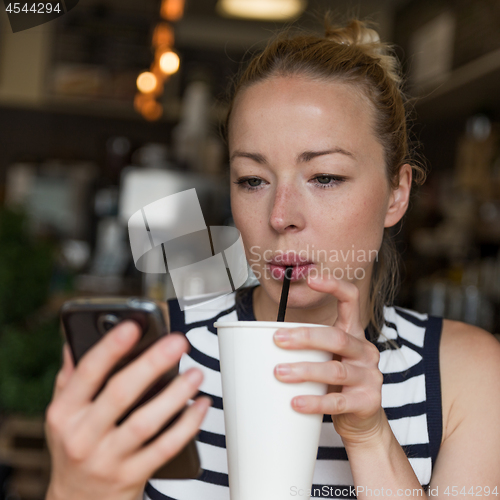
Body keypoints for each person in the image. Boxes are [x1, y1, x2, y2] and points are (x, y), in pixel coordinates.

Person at [45, 17, 500, 500]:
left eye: (324, 177)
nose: (281, 216)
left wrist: (369, 438)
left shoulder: (467, 377)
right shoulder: (153, 359)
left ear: (396, 194)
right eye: (252, 180)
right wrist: (75, 488)